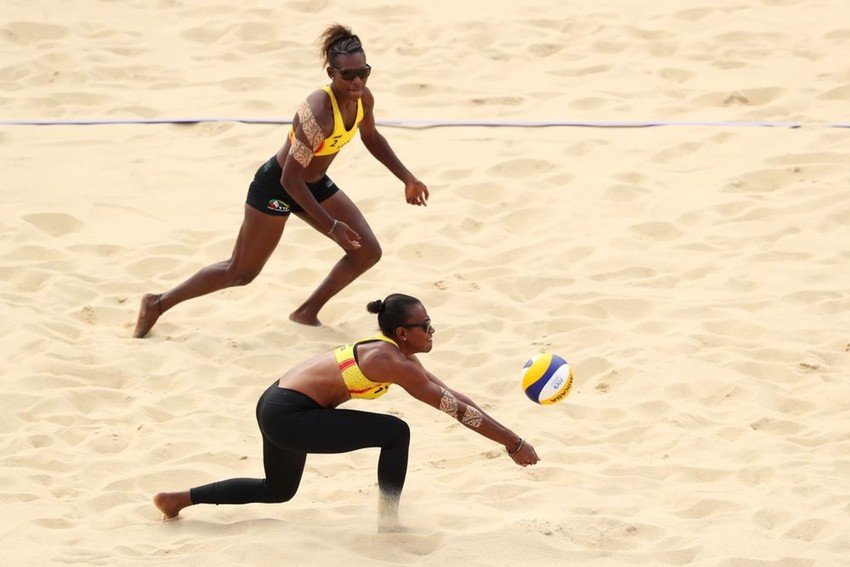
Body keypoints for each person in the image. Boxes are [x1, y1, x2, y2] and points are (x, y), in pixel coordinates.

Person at [133, 25, 429, 338]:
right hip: (277, 187)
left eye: (364, 72)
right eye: (348, 75)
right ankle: (157, 303)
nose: (357, 81)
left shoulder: (362, 98)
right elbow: (289, 177)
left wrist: (407, 178)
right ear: (331, 72)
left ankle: (306, 312)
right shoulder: (319, 113)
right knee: (240, 272)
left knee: (367, 251)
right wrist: (331, 226)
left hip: (313, 183)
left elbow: (371, 137)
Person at [153, 293, 540, 532]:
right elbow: (455, 411)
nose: (432, 330)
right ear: (403, 333)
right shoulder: (393, 362)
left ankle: (178, 499)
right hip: (289, 414)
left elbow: (456, 397)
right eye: (425, 325)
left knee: (278, 490)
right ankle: (389, 523)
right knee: (395, 432)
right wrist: (513, 442)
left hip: (274, 403)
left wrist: (511, 437)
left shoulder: (394, 352)